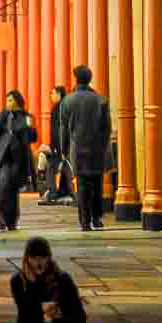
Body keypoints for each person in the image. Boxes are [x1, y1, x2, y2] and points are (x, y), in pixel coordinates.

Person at [58, 66, 111, 231]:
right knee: (97, 183)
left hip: (77, 147)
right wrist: (102, 144)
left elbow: (63, 128)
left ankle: (85, 221)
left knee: (82, 184)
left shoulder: (68, 100)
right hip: (97, 148)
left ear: (75, 78)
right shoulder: (101, 100)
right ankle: (97, 218)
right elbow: (107, 127)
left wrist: (64, 149)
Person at [0, 90, 36, 232]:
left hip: (19, 158)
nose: (7, 103)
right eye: (7, 100)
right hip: (3, 158)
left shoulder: (26, 117)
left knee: (13, 190)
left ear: (17, 101)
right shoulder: (4, 115)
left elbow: (32, 137)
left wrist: (30, 127)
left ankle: (12, 221)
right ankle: (0, 219)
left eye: (10, 100)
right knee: (4, 186)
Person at [41, 86, 73, 205]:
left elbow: (58, 130)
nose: (51, 96)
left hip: (60, 146)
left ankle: (53, 194)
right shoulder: (66, 106)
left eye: (52, 93)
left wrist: (54, 147)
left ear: (59, 94)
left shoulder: (58, 109)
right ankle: (69, 193)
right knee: (67, 169)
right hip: (66, 145)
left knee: (52, 168)